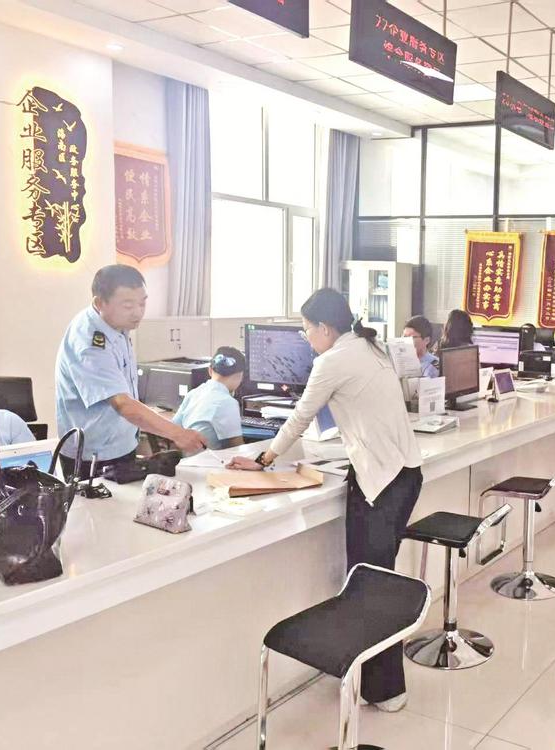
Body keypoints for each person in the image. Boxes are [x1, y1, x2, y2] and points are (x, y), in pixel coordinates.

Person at [227, 288, 422, 712]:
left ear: (325, 328)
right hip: (405, 476)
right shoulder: (370, 347)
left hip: (380, 483)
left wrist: (264, 459)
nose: (305, 338)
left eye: (306, 330)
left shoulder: (333, 360)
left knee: (369, 587)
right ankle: (371, 680)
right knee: (380, 582)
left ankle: (386, 690)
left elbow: (300, 417)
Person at [55, 265, 205, 478]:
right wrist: (177, 434)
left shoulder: (115, 324)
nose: (138, 312)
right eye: (128, 305)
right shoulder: (89, 342)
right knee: (97, 501)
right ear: (100, 303)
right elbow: (122, 404)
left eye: (142, 303)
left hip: (121, 444)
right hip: (93, 454)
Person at [172, 347, 246, 450]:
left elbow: (174, 427)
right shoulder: (228, 402)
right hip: (208, 459)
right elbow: (236, 446)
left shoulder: (193, 393)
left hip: (185, 457)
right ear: (239, 376)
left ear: (210, 370)